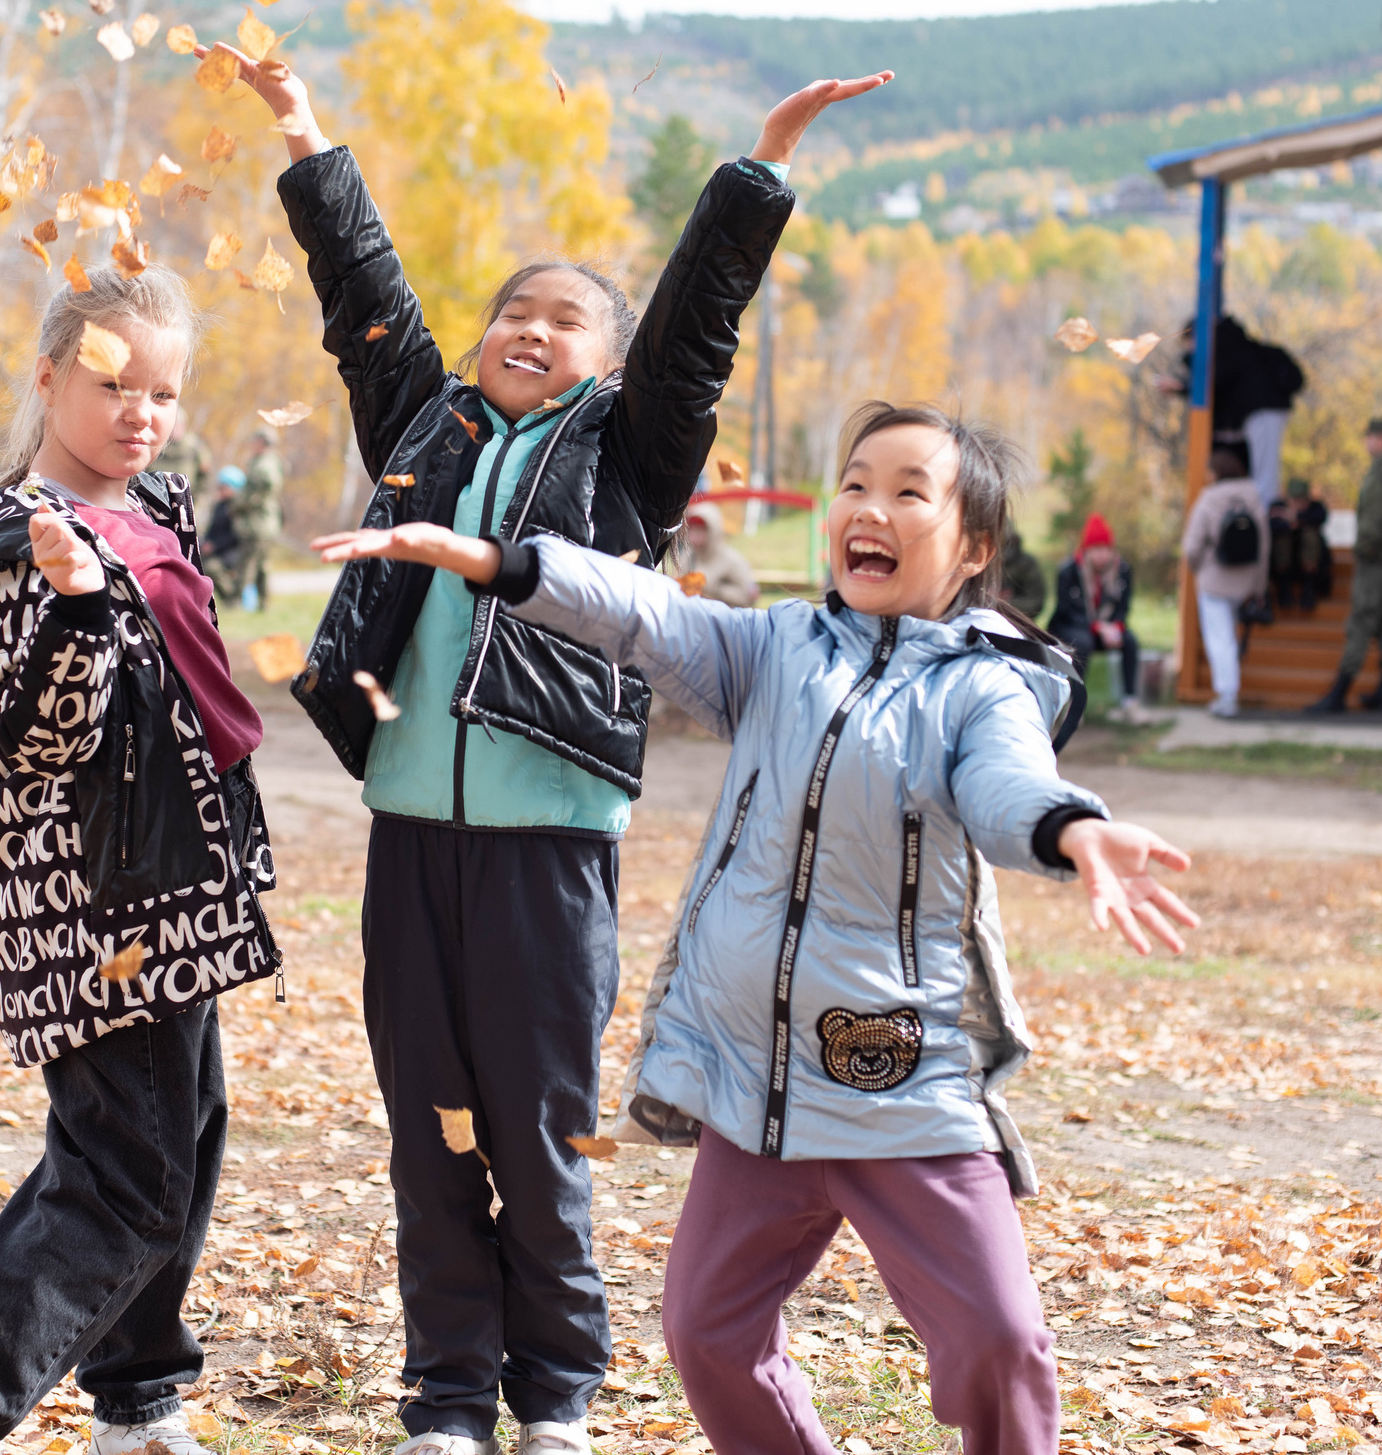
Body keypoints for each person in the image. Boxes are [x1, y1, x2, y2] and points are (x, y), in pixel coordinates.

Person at [218, 26, 892, 1455]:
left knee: (534, 1129)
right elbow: (363, 291)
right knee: (430, 1127)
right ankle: (451, 1401)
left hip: (551, 841)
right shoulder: (426, 421)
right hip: (414, 833)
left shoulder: (633, 450)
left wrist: (757, 170)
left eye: (565, 318)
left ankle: (557, 1398)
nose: (530, 328)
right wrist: (300, 123)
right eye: (511, 313)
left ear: (601, 359)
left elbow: (699, 323)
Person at [311, 400, 1199, 1455]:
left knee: (999, 1337)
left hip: (896, 1080)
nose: (869, 507)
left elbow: (1011, 783)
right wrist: (499, 560)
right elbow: (646, 613)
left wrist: (1072, 830)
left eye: (910, 490)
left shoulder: (979, 688)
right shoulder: (776, 646)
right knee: (706, 1331)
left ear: (973, 547)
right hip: (757, 1083)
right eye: (856, 482)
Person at [0, 268, 283, 1455]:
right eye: (111, 383)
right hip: (84, 901)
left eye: (162, 389)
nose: (138, 410)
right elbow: (40, 737)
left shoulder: (159, 507)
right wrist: (78, 605)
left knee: (179, 1137)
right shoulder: (13, 540)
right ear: (49, 377)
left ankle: (140, 1407)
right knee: (128, 1174)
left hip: (170, 885)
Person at [1307, 416, 1382, 713]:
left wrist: (1363, 550)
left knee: (1360, 624)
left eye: (1369, 437)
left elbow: (1375, 517)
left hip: (1378, 562)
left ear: (1381, 438)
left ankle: (1339, 693)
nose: (1366, 443)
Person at [1179, 314, 1304, 511]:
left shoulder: (1228, 351)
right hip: (1262, 412)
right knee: (1263, 470)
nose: (1189, 348)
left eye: (1189, 342)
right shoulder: (1236, 346)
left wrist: (1182, 386)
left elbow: (1215, 382)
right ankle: (1260, 514)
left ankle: (1263, 517)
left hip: (1263, 412)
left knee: (1264, 472)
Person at [1180, 446, 1267, 718]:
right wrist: (1259, 585)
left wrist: (1200, 567)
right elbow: (1264, 546)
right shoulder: (1254, 497)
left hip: (1214, 581)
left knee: (1221, 639)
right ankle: (1228, 693)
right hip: (1245, 582)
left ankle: (1227, 696)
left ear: (1216, 472)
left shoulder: (1208, 499)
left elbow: (1191, 546)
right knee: (1230, 637)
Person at [1046, 513, 1137, 711]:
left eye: (1105, 548)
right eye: (1096, 549)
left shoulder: (1122, 569)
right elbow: (1066, 610)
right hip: (1071, 626)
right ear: (1086, 550)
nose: (1102, 554)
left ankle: (1130, 702)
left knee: (1130, 641)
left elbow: (1123, 607)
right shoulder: (1069, 570)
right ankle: (1074, 704)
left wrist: (1116, 627)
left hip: (1105, 628)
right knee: (1083, 643)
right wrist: (1098, 628)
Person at [671, 503, 760, 608]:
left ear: (713, 531)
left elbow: (749, 596)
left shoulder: (732, 560)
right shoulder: (689, 556)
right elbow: (675, 586)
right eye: (692, 530)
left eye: (700, 530)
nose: (694, 536)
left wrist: (716, 590)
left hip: (725, 618)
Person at [234, 429, 284, 611]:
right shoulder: (270, 462)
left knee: (248, 564)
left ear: (262, 443)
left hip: (258, 523)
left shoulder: (264, 466)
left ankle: (236, 601)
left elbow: (261, 492)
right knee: (262, 565)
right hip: (265, 522)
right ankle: (264, 604)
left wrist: (239, 504)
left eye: (255, 441)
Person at [1265, 478, 1331, 613]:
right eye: (1294, 500)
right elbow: (1269, 527)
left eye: (1301, 500)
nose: (1298, 503)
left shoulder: (1315, 507)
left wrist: (1296, 517)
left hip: (1310, 568)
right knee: (1282, 538)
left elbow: (1321, 517)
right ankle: (1284, 589)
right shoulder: (1277, 506)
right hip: (1282, 566)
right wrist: (1288, 524)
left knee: (1310, 533)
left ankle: (1309, 588)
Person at [200, 465, 248, 605]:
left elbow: (235, 535)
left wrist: (214, 546)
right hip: (216, 550)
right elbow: (212, 530)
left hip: (231, 553)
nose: (220, 489)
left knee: (211, 567)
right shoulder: (219, 506)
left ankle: (231, 599)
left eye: (224, 486)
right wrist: (204, 543)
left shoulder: (238, 508)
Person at [148, 407, 211, 487]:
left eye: (178, 425)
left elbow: (204, 475)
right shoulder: (155, 444)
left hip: (185, 494)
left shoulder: (194, 446)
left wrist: (196, 497)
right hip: (154, 491)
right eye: (173, 425)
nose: (175, 429)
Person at [996, 524, 1046, 623]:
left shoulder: (1027, 564)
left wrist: (999, 604)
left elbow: (1036, 604)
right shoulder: (976, 563)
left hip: (1018, 625)